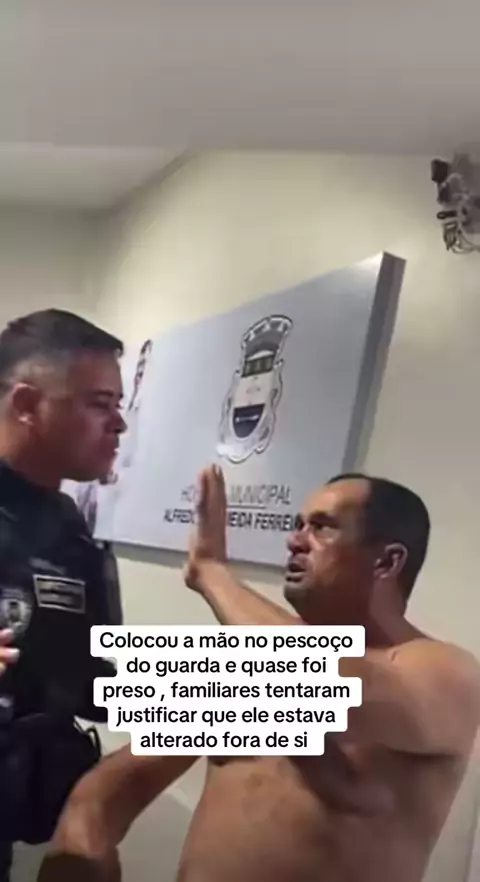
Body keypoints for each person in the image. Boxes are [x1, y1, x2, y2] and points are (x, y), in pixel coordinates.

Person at [37, 465, 480, 882]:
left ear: (387, 562)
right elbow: (110, 790)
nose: (295, 540)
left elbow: (320, 680)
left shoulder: (445, 673)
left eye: (322, 527)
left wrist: (212, 572)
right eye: (298, 524)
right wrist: (83, 833)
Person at [0, 308, 128, 879]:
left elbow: (88, 682)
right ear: (28, 404)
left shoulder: (69, 528)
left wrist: (259, 685)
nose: (119, 424)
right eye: (99, 404)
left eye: (118, 404)